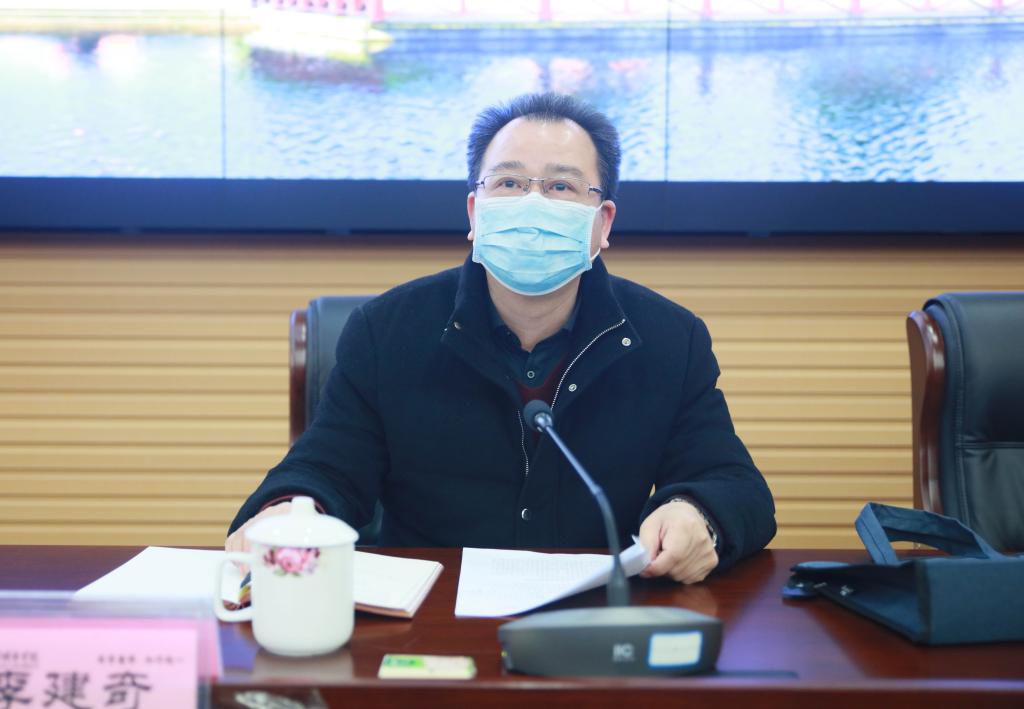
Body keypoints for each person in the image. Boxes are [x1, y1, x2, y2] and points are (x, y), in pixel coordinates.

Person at [227, 93, 775, 584]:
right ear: (475, 211)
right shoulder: (386, 330)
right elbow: (325, 467)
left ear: (603, 223)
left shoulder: (669, 338)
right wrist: (290, 510)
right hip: (428, 617)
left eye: (561, 186)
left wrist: (698, 514)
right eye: (509, 183)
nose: (532, 204)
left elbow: (733, 484)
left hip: (597, 617)